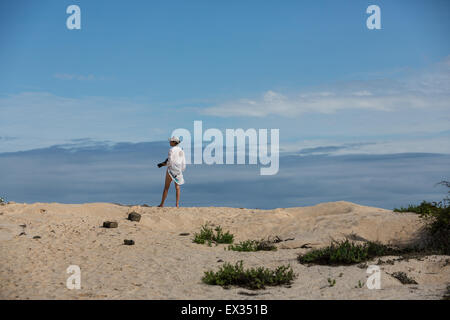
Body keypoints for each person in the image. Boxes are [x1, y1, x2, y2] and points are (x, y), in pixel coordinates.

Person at [157, 136, 186, 208]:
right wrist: (181, 170)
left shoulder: (171, 150)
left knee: (166, 187)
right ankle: (177, 204)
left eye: (171, 141)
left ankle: (162, 204)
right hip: (178, 170)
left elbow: (170, 162)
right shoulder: (181, 150)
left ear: (174, 142)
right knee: (177, 187)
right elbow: (183, 162)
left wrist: (162, 164)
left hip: (171, 170)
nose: (169, 142)